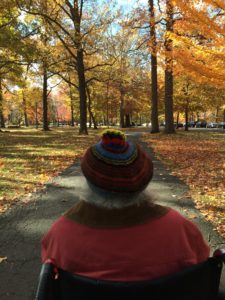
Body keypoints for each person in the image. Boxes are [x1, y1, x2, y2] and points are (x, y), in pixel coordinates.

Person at [41, 129, 210, 282]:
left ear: (88, 179)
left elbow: (51, 281)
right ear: (144, 181)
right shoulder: (181, 230)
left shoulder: (60, 235)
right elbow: (202, 271)